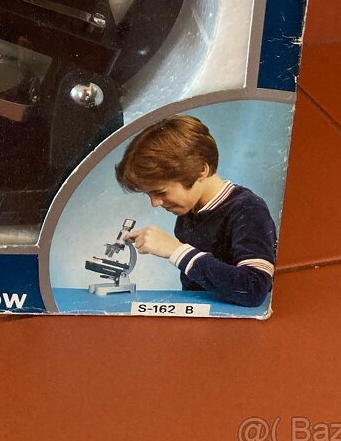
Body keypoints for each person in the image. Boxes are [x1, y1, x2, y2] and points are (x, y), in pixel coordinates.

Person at [115, 114, 276, 307]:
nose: (155, 203)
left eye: (160, 192)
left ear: (201, 170)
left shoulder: (248, 209)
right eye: (149, 194)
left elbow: (254, 289)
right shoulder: (189, 212)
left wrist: (176, 250)